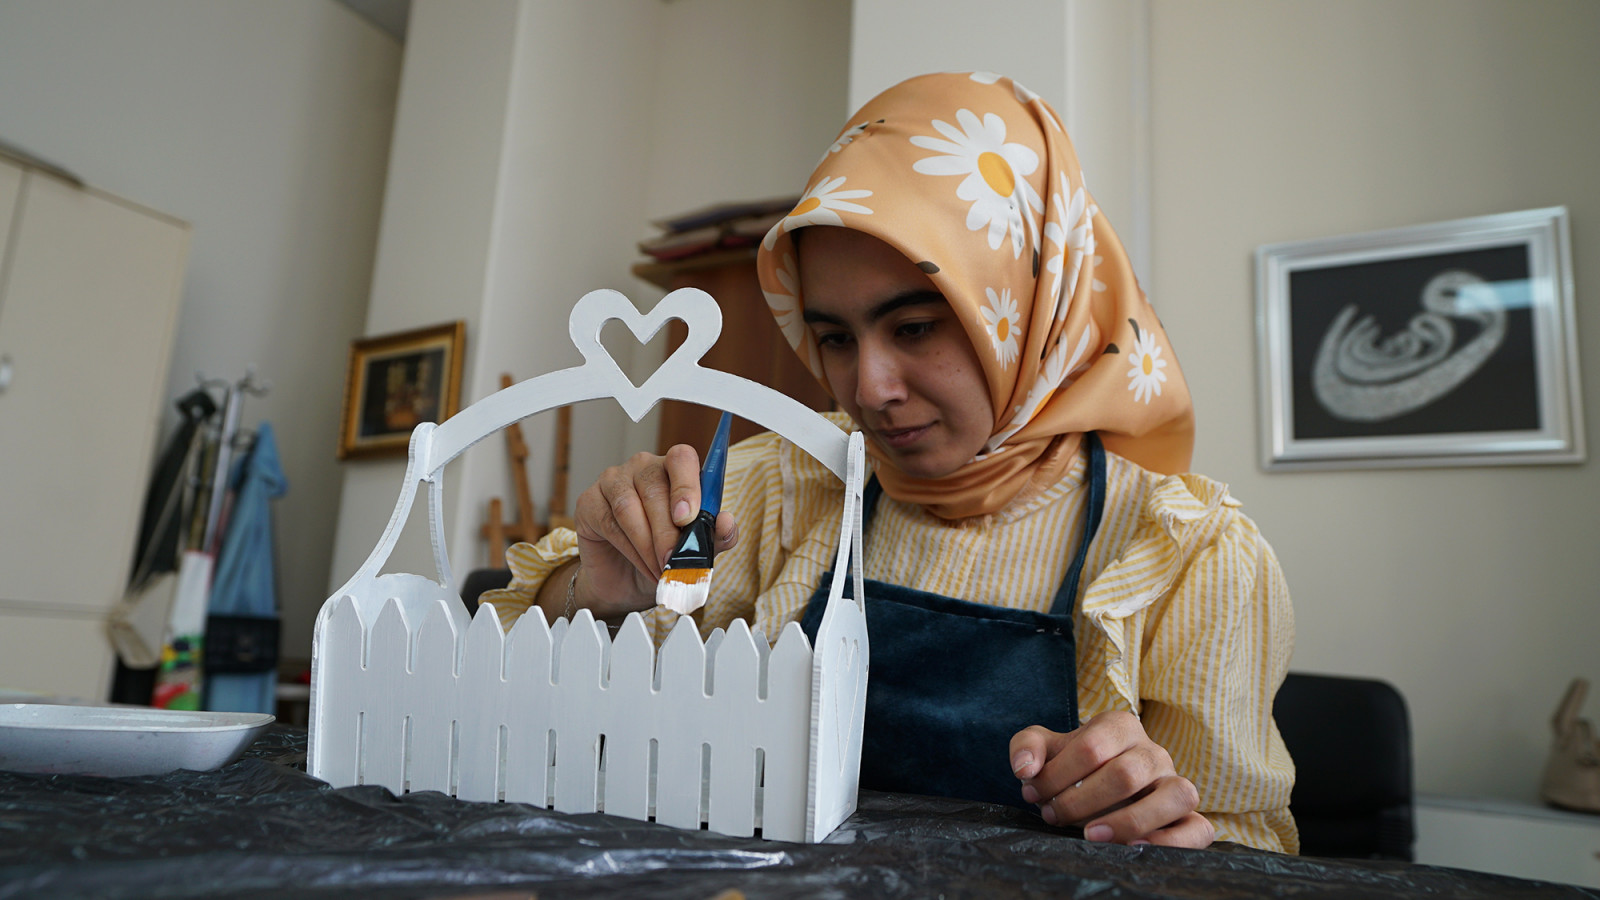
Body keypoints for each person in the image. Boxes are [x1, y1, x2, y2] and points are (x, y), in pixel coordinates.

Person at [481, 72, 1296, 853]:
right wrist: (595, 590)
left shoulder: (1187, 556)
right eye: (834, 338)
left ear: (1033, 310)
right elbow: (528, 702)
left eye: (914, 328)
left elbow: (1252, 848)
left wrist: (1165, 827)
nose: (868, 389)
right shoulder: (778, 485)